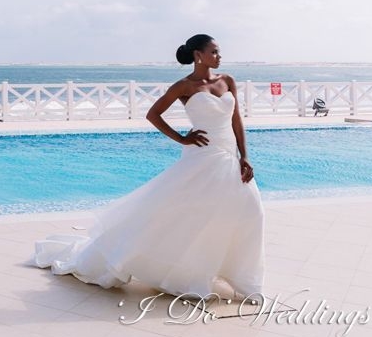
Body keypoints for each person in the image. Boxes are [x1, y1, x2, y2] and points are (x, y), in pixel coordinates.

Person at [32, 34, 265, 300]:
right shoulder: (184, 86)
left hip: (229, 156)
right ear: (198, 55)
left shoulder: (227, 80)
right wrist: (181, 138)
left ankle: (241, 277)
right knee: (187, 214)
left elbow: (236, 120)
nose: (219, 56)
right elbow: (153, 114)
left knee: (251, 211)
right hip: (201, 156)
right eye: (214, 52)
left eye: (218, 52)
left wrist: (244, 155)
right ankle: (181, 269)